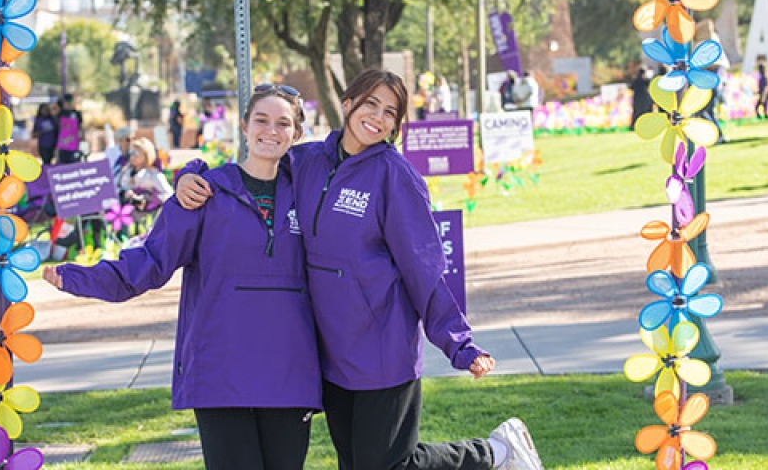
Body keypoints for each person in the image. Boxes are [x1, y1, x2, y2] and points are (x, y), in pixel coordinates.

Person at [176, 70, 543, 470]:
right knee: (356, 463)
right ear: (348, 104)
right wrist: (189, 174)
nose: (379, 117)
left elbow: (424, 267)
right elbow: (252, 168)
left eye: (391, 112)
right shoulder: (305, 161)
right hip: (331, 355)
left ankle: (495, 453)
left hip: (382, 350)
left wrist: (458, 342)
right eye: (371, 103)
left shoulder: (395, 176)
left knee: (389, 464)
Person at [43, 84, 320, 469]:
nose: (270, 131)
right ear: (244, 125)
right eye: (261, 120)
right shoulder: (204, 193)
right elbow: (149, 264)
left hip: (290, 370)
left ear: (297, 134)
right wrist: (79, 278)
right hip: (221, 369)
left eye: (283, 123)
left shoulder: (311, 194)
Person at [116, 137, 173, 212]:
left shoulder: (153, 174)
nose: (132, 156)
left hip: (148, 211)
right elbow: (120, 187)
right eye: (131, 153)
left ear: (146, 155)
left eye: (136, 153)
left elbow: (168, 193)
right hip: (128, 209)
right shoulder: (126, 171)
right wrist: (125, 192)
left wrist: (150, 197)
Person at [55, 94, 84, 164]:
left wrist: (82, 138)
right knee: (62, 162)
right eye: (66, 102)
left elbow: (80, 127)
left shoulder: (77, 113)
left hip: (74, 143)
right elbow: (57, 128)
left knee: (74, 162)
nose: (68, 104)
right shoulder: (60, 114)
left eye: (70, 102)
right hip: (62, 144)